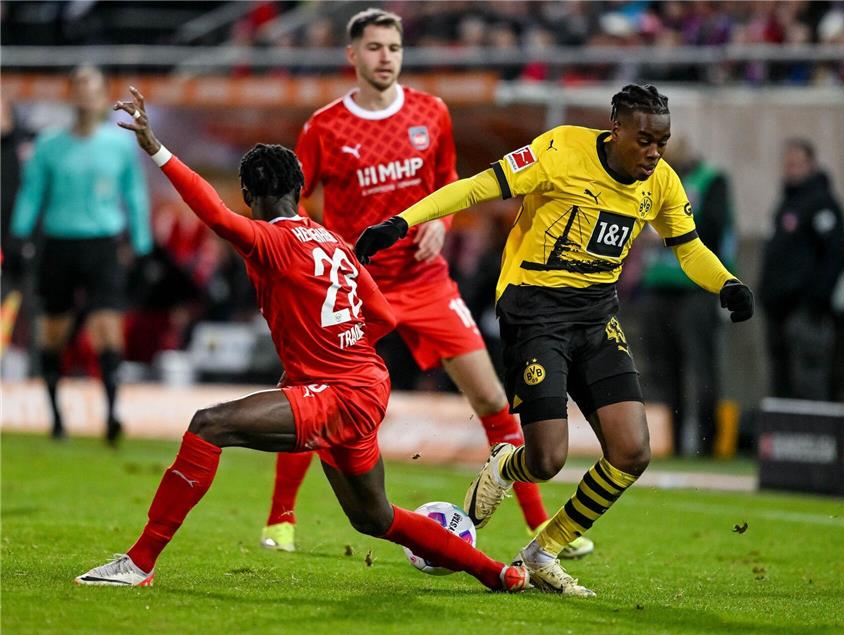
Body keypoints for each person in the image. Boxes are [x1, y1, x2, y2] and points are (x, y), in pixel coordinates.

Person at [75, 87, 528, 594]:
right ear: (300, 188)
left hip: (338, 393)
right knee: (374, 517)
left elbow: (215, 215)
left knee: (208, 425)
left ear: (251, 197)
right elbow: (381, 315)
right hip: (364, 385)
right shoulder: (331, 240)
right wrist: (339, 350)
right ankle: (497, 572)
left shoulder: (272, 241)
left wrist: (156, 149)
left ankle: (138, 563)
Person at [355, 83, 754, 596]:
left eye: (663, 141)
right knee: (546, 460)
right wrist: (402, 222)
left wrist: (726, 283)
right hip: (534, 309)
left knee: (632, 452)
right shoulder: (560, 149)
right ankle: (506, 465)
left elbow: (689, 248)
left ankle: (543, 553)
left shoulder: (662, 183)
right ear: (616, 130)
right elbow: (477, 187)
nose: (655, 153)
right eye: (645, 141)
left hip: (596, 316)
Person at [260, 8, 591, 560]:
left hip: (427, 282)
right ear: (352, 55)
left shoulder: (430, 112)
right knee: (309, 394)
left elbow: (448, 181)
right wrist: (317, 253)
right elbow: (294, 201)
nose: (385, 57)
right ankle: (281, 518)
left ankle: (541, 526)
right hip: (359, 286)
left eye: (393, 47)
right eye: (374, 48)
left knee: (493, 398)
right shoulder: (324, 127)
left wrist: (441, 223)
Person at [9, 65, 152, 442]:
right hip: (58, 245)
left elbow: (134, 194)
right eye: (79, 89)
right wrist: (19, 236)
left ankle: (112, 414)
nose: (86, 97)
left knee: (107, 329)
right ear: (70, 95)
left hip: (102, 246)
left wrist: (142, 246)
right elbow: (32, 193)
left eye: (93, 90)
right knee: (53, 332)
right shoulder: (49, 145)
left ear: (104, 96)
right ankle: (56, 418)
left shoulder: (119, 145)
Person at [640, 135, 736, 455]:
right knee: (664, 369)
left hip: (696, 289)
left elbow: (714, 230)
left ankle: (708, 443)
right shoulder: (654, 181)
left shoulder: (711, 181)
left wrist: (668, 234)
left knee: (701, 366)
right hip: (659, 286)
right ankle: (675, 441)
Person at [758, 138, 844, 401]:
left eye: (797, 163)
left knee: (809, 380)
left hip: (806, 310)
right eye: (788, 164)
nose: (791, 169)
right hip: (778, 309)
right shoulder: (785, 203)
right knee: (781, 382)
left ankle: (814, 428)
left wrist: (816, 299)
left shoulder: (822, 203)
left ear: (811, 165)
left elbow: (835, 255)